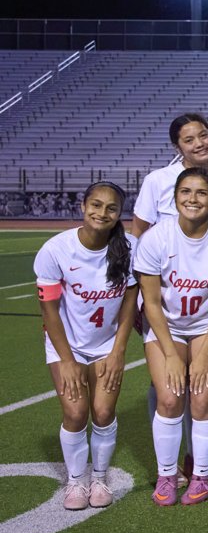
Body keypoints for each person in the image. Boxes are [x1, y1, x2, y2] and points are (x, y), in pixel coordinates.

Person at [131, 113, 208, 482]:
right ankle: (170, 465)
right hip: (167, 301)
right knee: (168, 390)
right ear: (177, 146)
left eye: (203, 135)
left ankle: (196, 462)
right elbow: (139, 233)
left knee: (202, 391)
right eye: (189, 139)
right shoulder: (157, 184)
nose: (198, 143)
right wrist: (137, 303)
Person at [35, 182, 139, 510]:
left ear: (118, 213)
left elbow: (129, 303)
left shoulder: (130, 247)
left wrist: (119, 351)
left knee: (104, 412)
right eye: (96, 205)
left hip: (107, 343)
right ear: (83, 206)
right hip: (66, 344)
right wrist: (67, 360)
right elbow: (49, 311)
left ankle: (99, 478)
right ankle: (76, 481)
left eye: (111, 208)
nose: (102, 213)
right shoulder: (55, 250)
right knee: (76, 412)